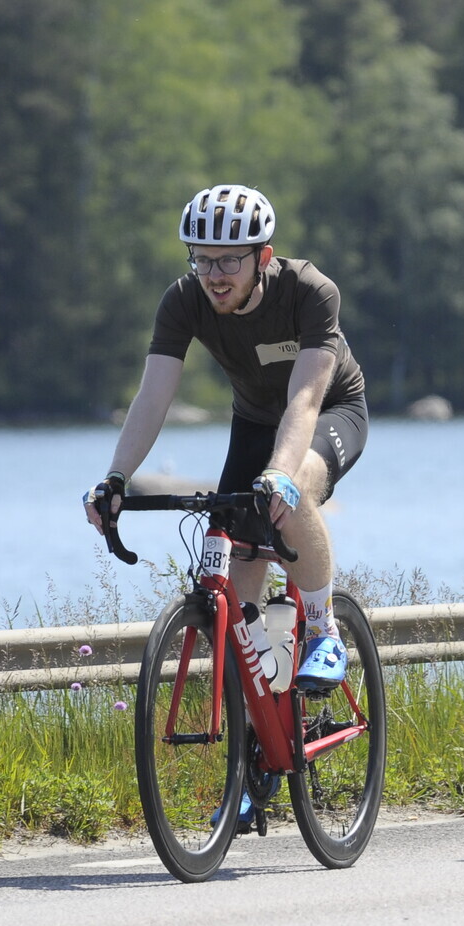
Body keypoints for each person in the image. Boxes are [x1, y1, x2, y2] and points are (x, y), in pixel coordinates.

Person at [85, 184, 367, 692]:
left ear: (263, 257)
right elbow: (152, 398)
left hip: (329, 410)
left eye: (229, 261)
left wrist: (280, 474)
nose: (214, 275)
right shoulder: (182, 301)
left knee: (295, 484)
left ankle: (323, 631)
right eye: (202, 260)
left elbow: (305, 400)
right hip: (255, 421)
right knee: (235, 559)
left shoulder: (309, 291)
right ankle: (259, 700)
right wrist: (116, 477)